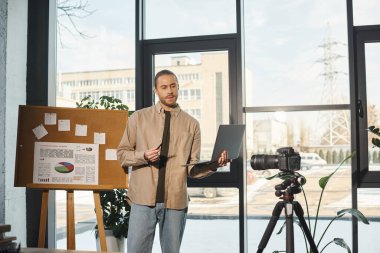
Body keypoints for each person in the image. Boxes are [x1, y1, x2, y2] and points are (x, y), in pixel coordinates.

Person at [117, 69, 229, 253]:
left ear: (178, 87)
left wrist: (214, 164)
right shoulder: (138, 118)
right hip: (142, 199)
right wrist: (143, 156)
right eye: (163, 87)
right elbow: (122, 154)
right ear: (156, 90)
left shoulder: (192, 124)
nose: (169, 91)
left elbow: (192, 168)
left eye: (173, 86)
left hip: (175, 201)